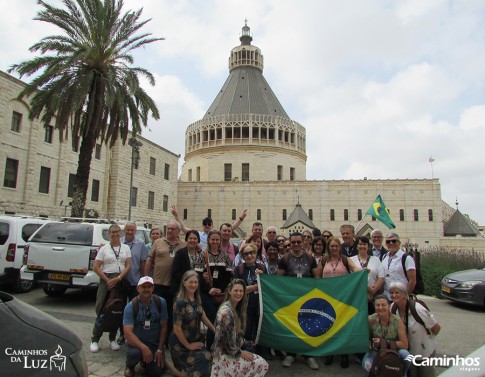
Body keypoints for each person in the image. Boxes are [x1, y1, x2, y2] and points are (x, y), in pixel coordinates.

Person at [277, 232, 319, 370]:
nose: (296, 244)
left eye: (298, 242)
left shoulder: (310, 258)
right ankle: (291, 354)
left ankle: (308, 355)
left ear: (303, 242)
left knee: (308, 326)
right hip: (291, 299)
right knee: (293, 326)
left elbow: (316, 278)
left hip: (307, 298)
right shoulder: (285, 259)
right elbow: (279, 280)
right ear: (290, 243)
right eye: (293, 242)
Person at [123, 276, 180, 377]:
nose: (146, 289)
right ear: (138, 288)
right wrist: (143, 347)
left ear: (153, 288)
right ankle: (130, 366)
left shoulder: (160, 302)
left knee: (156, 372)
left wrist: (160, 349)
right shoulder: (131, 306)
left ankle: (146, 362)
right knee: (134, 353)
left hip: (154, 344)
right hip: (137, 344)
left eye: (149, 287)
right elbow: (127, 333)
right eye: (143, 287)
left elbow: (164, 327)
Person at [211, 279, 269, 377]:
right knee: (262, 365)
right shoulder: (226, 312)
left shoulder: (236, 307)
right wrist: (241, 352)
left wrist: (247, 343)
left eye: (241, 291)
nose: (239, 293)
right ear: (229, 291)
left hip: (231, 351)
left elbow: (236, 336)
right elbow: (227, 342)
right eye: (236, 290)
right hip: (224, 355)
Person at [320, 236, 361, 368]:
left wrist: (362, 272)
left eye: (336, 246)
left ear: (340, 247)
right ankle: (330, 353)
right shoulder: (324, 260)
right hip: (327, 299)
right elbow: (317, 278)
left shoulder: (345, 260)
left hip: (343, 299)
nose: (334, 248)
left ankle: (344, 354)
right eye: (332, 246)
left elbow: (355, 270)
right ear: (328, 247)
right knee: (329, 326)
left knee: (343, 327)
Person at [91, 224, 132, 353]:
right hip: (106, 280)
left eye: (117, 232)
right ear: (109, 234)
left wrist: (118, 278)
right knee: (102, 308)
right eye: (112, 232)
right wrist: (108, 280)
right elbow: (96, 267)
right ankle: (95, 339)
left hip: (119, 281)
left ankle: (112, 338)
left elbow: (128, 266)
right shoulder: (104, 249)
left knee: (116, 309)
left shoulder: (125, 248)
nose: (115, 234)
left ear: (121, 233)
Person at [145, 220, 187, 340]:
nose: (169, 230)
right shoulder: (158, 242)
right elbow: (149, 259)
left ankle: (169, 338)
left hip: (175, 285)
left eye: (172, 229)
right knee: (156, 311)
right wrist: (146, 277)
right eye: (168, 228)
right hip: (159, 283)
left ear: (178, 231)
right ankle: (155, 337)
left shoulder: (183, 245)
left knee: (171, 313)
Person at [169, 270, 215, 377]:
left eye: (196, 282)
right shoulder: (180, 303)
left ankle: (183, 372)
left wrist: (215, 330)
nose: (193, 285)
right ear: (184, 283)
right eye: (190, 282)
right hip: (180, 345)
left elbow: (203, 316)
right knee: (203, 364)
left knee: (209, 357)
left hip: (193, 340)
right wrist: (188, 346)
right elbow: (177, 329)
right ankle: (177, 370)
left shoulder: (196, 299)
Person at [390, 282, 441, 377]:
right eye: (392, 293)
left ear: (404, 294)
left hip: (425, 351)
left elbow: (436, 327)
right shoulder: (393, 308)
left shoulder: (417, 309)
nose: (394, 295)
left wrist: (428, 339)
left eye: (397, 292)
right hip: (409, 352)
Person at [195, 230, 233, 350]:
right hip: (206, 293)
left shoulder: (225, 256)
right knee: (212, 320)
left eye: (217, 239)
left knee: (222, 320)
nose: (215, 242)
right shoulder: (202, 256)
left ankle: (221, 346)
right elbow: (197, 277)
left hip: (221, 293)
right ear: (209, 240)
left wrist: (220, 289)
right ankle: (210, 348)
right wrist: (209, 289)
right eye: (213, 239)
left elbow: (228, 277)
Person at [362, 294, 411, 377]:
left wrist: (383, 342)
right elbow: (367, 338)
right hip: (377, 350)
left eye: (383, 305)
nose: (380, 308)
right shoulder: (370, 319)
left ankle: (402, 373)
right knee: (366, 364)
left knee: (406, 355)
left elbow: (405, 344)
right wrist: (371, 344)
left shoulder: (397, 321)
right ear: (374, 306)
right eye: (378, 305)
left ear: (388, 306)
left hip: (395, 350)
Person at [234, 243, 266, 356]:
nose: (249, 256)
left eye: (251, 253)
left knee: (259, 329)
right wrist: (256, 286)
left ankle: (261, 354)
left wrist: (262, 278)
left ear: (255, 254)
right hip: (245, 305)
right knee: (246, 329)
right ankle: (246, 353)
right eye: (246, 254)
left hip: (259, 304)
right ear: (242, 256)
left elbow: (267, 287)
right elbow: (238, 289)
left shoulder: (262, 268)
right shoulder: (239, 269)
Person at [172, 205, 247, 250]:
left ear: (212, 226)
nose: (207, 225)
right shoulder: (198, 235)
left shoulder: (216, 235)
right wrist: (176, 215)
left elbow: (231, 228)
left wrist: (241, 218)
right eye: (205, 224)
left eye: (209, 224)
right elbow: (184, 228)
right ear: (202, 226)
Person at [350, 236, 385, 314]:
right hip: (356, 296)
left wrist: (372, 291)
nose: (362, 246)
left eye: (365, 244)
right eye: (360, 244)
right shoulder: (351, 260)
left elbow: (381, 277)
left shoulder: (375, 259)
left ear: (368, 246)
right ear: (356, 246)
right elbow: (350, 278)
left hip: (372, 297)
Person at [382, 232, 416, 299]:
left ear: (399, 243)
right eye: (388, 241)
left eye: (394, 241)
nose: (391, 243)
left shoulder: (406, 258)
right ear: (386, 244)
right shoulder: (384, 257)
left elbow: (412, 281)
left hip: (400, 298)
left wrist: (405, 297)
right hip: (386, 297)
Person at [122, 222, 149, 300]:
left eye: (132, 230)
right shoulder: (119, 242)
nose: (130, 232)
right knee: (119, 305)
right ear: (124, 230)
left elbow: (143, 262)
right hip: (121, 280)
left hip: (135, 280)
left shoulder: (141, 244)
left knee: (134, 304)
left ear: (135, 231)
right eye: (128, 230)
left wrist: (142, 278)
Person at [171, 230, 202, 294]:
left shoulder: (200, 255)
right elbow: (175, 272)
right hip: (181, 288)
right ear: (186, 239)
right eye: (190, 238)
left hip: (196, 288)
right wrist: (187, 282)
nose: (192, 240)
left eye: (195, 238)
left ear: (198, 240)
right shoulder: (180, 253)